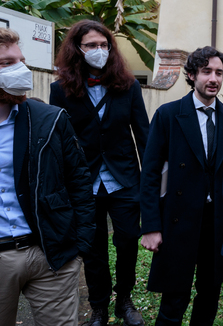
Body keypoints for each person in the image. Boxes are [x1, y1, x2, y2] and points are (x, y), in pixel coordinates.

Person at [49, 20, 149, 326]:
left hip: (124, 179)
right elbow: (58, 142)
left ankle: (124, 300)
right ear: (77, 49)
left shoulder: (129, 86)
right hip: (83, 182)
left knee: (128, 240)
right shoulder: (60, 90)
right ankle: (99, 306)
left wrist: (151, 181)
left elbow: (144, 135)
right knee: (92, 249)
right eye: (92, 45)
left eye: (104, 45)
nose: (99, 51)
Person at [0, 28, 95, 326]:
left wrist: (79, 246)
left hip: (51, 253)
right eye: (6, 63)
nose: (20, 70)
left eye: (21, 60)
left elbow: (79, 182)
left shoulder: (50, 119)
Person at [140, 46, 223, 326]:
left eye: (219, 73)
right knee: (173, 301)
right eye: (207, 71)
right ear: (192, 74)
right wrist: (150, 226)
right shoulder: (169, 115)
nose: (214, 79)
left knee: (209, 297)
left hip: (217, 223)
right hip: (178, 219)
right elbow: (149, 174)